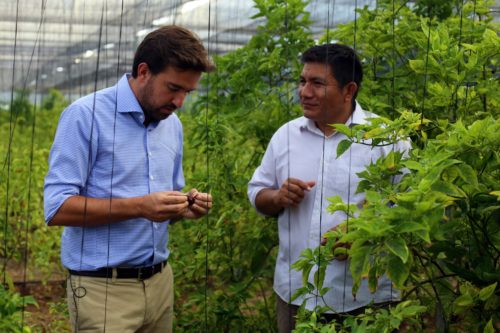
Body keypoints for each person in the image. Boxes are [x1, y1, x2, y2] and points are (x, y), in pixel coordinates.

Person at [44, 25, 214, 332]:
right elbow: (57, 209)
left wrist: (183, 208)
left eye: (187, 92)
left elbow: (162, 205)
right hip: (102, 291)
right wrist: (139, 206)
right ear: (144, 71)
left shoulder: (172, 125)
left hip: (160, 283)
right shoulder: (85, 115)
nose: (179, 102)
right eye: (173, 88)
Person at [247, 43, 410, 332]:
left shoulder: (387, 140)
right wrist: (277, 196)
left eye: (317, 83)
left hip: (367, 298)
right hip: (297, 294)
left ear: (349, 90)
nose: (304, 91)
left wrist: (361, 233)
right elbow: (257, 192)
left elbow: (411, 207)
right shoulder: (286, 136)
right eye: (302, 81)